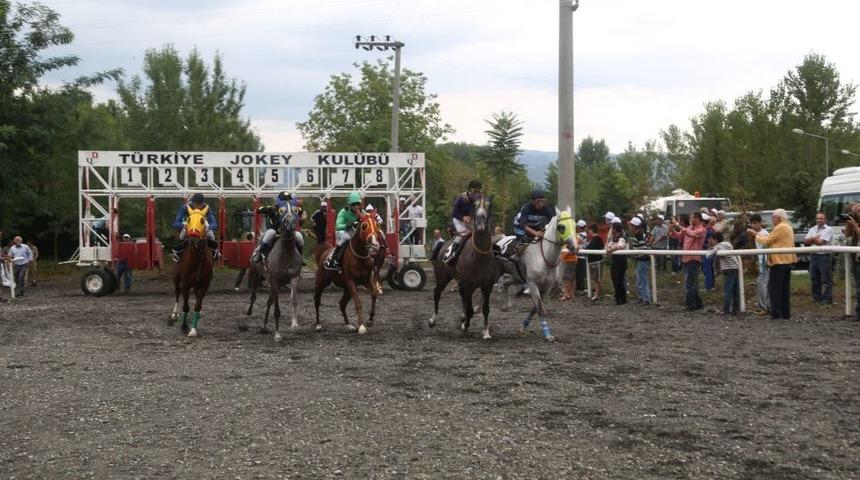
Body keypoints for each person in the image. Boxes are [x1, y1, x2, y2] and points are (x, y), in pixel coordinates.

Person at [751, 208, 797, 320]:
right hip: (788, 261)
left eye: (773, 217)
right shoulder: (788, 226)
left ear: (779, 218)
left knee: (775, 289)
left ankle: (776, 313)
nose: (772, 219)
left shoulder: (780, 227)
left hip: (779, 261)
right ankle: (785, 313)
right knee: (784, 290)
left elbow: (766, 240)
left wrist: (755, 235)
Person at [252, 191, 304, 263]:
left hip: (289, 232)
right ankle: (259, 253)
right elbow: (258, 210)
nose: (286, 202)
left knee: (299, 236)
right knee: (271, 233)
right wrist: (268, 208)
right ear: (279, 201)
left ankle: (301, 256)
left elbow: (301, 212)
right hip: (275, 231)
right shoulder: (273, 208)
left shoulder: (293, 209)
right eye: (284, 200)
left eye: (288, 200)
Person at [671, 212, 706, 310]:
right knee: (691, 283)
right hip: (686, 257)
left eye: (692, 218)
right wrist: (673, 230)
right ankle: (698, 303)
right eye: (690, 218)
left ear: (698, 219)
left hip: (694, 258)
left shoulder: (701, 230)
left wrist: (678, 225)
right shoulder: (689, 228)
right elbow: (679, 236)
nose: (690, 220)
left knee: (689, 283)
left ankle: (691, 304)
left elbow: (691, 234)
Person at [443, 180, 483, 265]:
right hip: (458, 219)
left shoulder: (479, 199)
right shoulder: (462, 199)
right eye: (475, 191)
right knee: (463, 236)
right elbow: (454, 213)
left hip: (471, 220)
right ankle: (452, 254)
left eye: (478, 191)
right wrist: (463, 217)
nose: (477, 194)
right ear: (469, 191)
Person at [172, 193, 219, 261]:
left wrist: (208, 228)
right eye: (197, 204)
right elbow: (175, 223)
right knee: (182, 234)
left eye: (200, 204)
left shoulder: (206, 208)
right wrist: (185, 226)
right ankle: (177, 252)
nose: (198, 207)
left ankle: (214, 251)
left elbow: (214, 223)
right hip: (189, 223)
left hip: (201, 224)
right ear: (193, 203)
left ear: (203, 203)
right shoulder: (185, 207)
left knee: (211, 234)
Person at [509, 190, 554, 260]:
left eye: (542, 201)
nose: (540, 204)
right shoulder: (527, 208)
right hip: (520, 226)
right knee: (524, 239)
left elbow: (552, 221)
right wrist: (535, 233)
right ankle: (515, 254)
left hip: (534, 225)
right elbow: (523, 225)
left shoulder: (546, 209)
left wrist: (545, 230)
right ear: (532, 202)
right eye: (538, 201)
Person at [325, 191, 363, 271]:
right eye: (353, 204)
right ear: (349, 205)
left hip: (353, 232)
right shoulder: (343, 212)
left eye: (358, 204)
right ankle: (333, 259)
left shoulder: (362, 212)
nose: (356, 207)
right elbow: (338, 226)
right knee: (347, 237)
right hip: (341, 232)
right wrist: (348, 225)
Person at [706, 231, 740, 314]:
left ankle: (726, 309)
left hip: (728, 269)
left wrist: (709, 249)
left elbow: (709, 256)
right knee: (736, 289)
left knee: (728, 289)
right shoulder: (728, 244)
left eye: (712, 240)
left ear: (715, 240)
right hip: (736, 267)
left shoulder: (718, 246)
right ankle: (736, 308)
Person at [804, 212, 833, 304]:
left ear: (825, 220)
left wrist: (812, 239)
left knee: (825, 278)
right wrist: (814, 238)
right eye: (817, 218)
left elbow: (821, 242)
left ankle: (827, 298)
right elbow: (806, 241)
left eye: (821, 218)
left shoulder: (828, 229)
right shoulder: (813, 228)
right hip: (813, 256)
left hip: (823, 256)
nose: (818, 220)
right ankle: (816, 297)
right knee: (814, 277)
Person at [748, 214, 770, 315]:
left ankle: (764, 307)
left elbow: (765, 245)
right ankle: (764, 306)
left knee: (763, 284)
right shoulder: (759, 233)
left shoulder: (763, 233)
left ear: (759, 223)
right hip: (761, 262)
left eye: (754, 223)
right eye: (751, 223)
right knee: (761, 283)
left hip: (765, 263)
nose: (752, 225)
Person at [842, 203, 860, 321]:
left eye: (856, 212)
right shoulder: (855, 224)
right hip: (856, 259)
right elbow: (847, 236)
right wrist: (849, 225)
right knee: (858, 286)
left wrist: (854, 225)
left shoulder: (856, 225)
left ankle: (859, 312)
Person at [628, 216, 651, 305]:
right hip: (640, 260)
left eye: (631, 226)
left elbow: (643, 249)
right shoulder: (639, 235)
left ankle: (645, 299)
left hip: (642, 260)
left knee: (642, 279)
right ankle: (642, 297)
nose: (629, 227)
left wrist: (636, 255)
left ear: (634, 226)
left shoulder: (639, 236)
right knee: (639, 280)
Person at [605, 220, 628, 305]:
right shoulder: (614, 237)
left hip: (621, 260)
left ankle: (621, 298)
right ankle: (618, 297)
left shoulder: (622, 237)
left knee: (619, 280)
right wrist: (609, 248)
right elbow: (608, 246)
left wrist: (611, 249)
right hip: (615, 260)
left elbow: (620, 246)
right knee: (615, 279)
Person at [585, 224, 604, 301]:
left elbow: (589, 248)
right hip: (593, 261)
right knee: (595, 278)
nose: (588, 232)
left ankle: (597, 294)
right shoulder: (594, 239)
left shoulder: (596, 239)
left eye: (589, 230)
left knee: (597, 279)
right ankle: (597, 292)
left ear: (592, 230)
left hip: (597, 261)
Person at [701, 213, 716, 291]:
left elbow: (711, 242)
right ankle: (711, 285)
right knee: (708, 269)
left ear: (704, 222)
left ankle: (709, 287)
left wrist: (708, 250)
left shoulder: (709, 230)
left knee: (707, 269)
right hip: (706, 251)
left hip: (707, 252)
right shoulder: (709, 229)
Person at [574, 220, 588, 294]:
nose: (577, 228)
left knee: (580, 273)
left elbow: (576, 242)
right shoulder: (579, 234)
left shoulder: (582, 234)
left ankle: (581, 289)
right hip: (578, 256)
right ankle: (578, 288)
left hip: (581, 256)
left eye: (578, 227)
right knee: (577, 273)